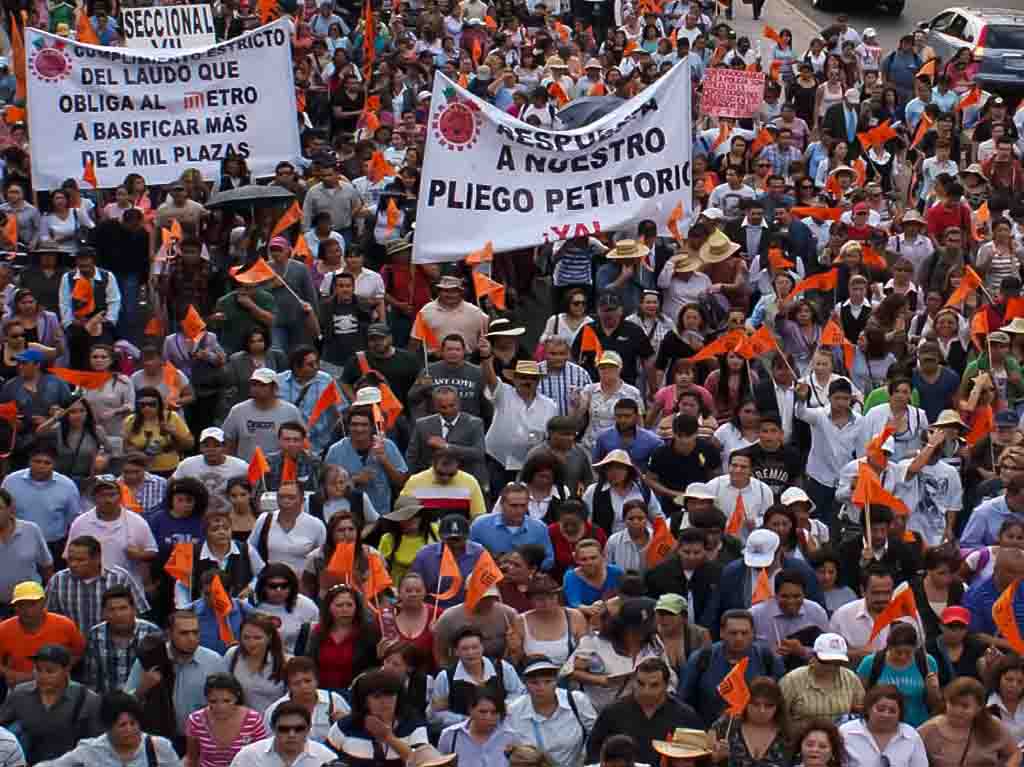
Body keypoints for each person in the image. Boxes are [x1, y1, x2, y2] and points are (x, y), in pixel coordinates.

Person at [125, 609, 228, 742]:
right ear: (169, 634)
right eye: (184, 633)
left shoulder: (213, 661)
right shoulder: (150, 660)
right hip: (159, 740)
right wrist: (142, 689)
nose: (191, 638)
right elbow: (124, 703)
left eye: (195, 632)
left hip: (202, 740)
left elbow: (228, 703)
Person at [586, 657, 701, 767]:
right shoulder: (612, 713)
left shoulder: (685, 715)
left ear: (666, 686)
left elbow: (698, 757)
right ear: (633, 682)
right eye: (641, 684)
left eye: (654, 685)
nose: (646, 691)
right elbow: (593, 754)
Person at [679, 609, 784, 727]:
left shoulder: (767, 658)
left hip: (753, 734)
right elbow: (684, 702)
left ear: (753, 633)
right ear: (722, 633)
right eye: (733, 633)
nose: (739, 638)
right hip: (707, 734)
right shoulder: (701, 658)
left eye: (744, 633)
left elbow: (779, 699)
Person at [0, 643, 103, 762]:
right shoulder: (19, 695)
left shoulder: (88, 700)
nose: (42, 676)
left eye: (50, 671)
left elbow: (97, 745)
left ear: (66, 670)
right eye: (38, 670)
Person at [63, 480, 158, 602]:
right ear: (94, 498)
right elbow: (69, 557)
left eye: (112, 495)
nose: (108, 499)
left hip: (126, 587)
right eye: (102, 495)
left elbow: (152, 552)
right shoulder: (80, 523)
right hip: (89, 587)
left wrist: (139, 555)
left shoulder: (136, 522)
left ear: (120, 497)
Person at [32, 691, 181, 767]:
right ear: (108, 727)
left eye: (133, 723)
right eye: (122, 725)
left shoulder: (159, 747)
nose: (129, 729)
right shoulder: (90, 749)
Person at [46, 534, 150, 637]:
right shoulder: (58, 580)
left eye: (80, 560)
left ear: (97, 558)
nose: (73, 564)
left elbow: (140, 613)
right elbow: (47, 617)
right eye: (70, 559)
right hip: (72, 647)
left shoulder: (119, 578)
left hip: (110, 647)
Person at [506, 656, 597, 767]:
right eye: (534, 683)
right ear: (525, 684)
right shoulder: (513, 710)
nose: (541, 688)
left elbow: (597, 734)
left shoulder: (577, 701)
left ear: (557, 681)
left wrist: (584, 759)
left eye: (548, 681)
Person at [327, 670, 429, 767]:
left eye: (390, 695)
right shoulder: (345, 726)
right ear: (364, 701)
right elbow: (325, 759)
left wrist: (389, 738)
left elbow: (423, 762)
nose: (384, 702)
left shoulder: (413, 725)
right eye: (377, 697)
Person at [1, 445, 80, 568]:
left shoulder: (68, 486)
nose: (41, 466)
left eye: (47, 463)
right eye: (37, 461)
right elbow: (3, 510)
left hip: (54, 545)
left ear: (54, 464)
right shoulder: (11, 481)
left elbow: (73, 519)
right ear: (29, 461)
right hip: (18, 542)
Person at [430, 625, 524, 727]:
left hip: (502, 728)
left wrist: (504, 708)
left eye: (475, 647)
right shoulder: (445, 677)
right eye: (465, 649)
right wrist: (466, 720)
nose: (471, 653)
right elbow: (435, 714)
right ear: (456, 651)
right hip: (464, 732)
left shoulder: (502, 667)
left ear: (482, 647)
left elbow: (519, 694)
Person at [323, 406, 409, 516]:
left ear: (372, 427)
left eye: (364, 425)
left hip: (381, 516)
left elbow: (402, 482)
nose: (359, 429)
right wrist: (355, 480)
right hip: (346, 518)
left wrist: (384, 461)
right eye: (354, 424)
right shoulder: (335, 451)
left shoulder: (387, 446)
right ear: (348, 427)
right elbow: (326, 488)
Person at [919, 677, 1021, 767]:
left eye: (965, 706)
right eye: (953, 704)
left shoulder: (992, 725)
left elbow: (1015, 754)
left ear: (979, 708)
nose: (957, 711)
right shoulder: (929, 729)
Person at [778, 633, 864, 736]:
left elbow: (860, 711)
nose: (832, 666)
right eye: (826, 661)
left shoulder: (850, 678)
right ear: (813, 657)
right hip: (801, 742)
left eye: (837, 662)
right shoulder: (792, 680)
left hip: (840, 741)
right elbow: (780, 714)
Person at [405, 387, 488, 494]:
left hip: (465, 486)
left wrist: (447, 446)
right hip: (430, 486)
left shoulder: (474, 423)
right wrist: (410, 482)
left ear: (459, 403)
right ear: (435, 406)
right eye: (443, 407)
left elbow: (479, 453)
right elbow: (412, 457)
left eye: (452, 405)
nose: (448, 410)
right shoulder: (422, 425)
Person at [0, 581, 85, 685]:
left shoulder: (64, 624)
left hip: (59, 684)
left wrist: (61, 670)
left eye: (32, 604)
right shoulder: (3, 629)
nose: (27, 610)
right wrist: (9, 674)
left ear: (43, 603)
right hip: (19, 686)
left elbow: (78, 652)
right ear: (15, 607)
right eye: (21, 605)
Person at [857, 623, 940, 727]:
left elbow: (935, 705)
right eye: (898, 652)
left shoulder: (927, 662)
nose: (903, 657)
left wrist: (933, 689)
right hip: (880, 726)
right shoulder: (871, 663)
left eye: (908, 652)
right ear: (889, 646)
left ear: (915, 648)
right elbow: (860, 698)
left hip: (918, 726)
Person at [83, 585, 161, 695]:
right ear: (104, 613)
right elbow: (92, 680)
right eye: (112, 610)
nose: (118, 614)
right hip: (108, 705)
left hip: (144, 704)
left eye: (123, 608)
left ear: (134, 610)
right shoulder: (95, 634)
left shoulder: (152, 632)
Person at [304, 584, 380, 693]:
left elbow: (373, 668)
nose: (345, 609)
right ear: (329, 607)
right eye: (339, 605)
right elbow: (309, 664)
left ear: (356, 607)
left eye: (349, 605)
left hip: (355, 695)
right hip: (321, 693)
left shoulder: (369, 633)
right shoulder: (317, 632)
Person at [184, 673, 267, 767]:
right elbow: (191, 758)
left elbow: (260, 757)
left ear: (236, 697)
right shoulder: (196, 720)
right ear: (206, 699)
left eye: (227, 701)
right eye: (213, 701)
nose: (220, 707)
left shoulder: (253, 720)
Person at [222, 370, 304, 463]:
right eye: (254, 384)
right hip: (247, 470)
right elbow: (228, 442)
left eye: (262, 385)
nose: (256, 388)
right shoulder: (237, 410)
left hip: (279, 471)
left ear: (274, 388)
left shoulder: (291, 411)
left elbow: (302, 441)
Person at [263, 657, 350, 746]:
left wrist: (345, 721)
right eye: (296, 683)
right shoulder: (274, 710)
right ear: (288, 687)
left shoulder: (334, 700)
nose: (303, 686)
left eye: (308, 681)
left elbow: (352, 733)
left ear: (316, 680)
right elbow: (269, 744)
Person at [839, 685, 930, 767]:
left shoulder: (911, 735)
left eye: (892, 711)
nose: (886, 715)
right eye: (880, 709)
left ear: (900, 714)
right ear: (868, 709)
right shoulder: (846, 732)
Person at [708, 676, 789, 767]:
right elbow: (703, 760)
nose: (762, 710)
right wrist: (716, 758)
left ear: (778, 706)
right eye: (755, 704)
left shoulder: (788, 733)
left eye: (769, 705)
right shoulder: (725, 724)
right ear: (745, 703)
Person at [470, 483, 555, 568]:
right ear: (502, 504)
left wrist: (525, 567)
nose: (519, 510)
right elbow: (469, 556)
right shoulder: (480, 525)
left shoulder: (539, 528)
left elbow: (549, 560)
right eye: (513, 505)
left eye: (523, 505)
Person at [229, 701, 336, 767]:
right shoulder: (248, 756)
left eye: (299, 728)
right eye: (284, 729)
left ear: (308, 728)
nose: (292, 734)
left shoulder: (326, 758)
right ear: (273, 728)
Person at [172, 428, 248, 515]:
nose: (211, 449)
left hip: (229, 518)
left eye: (216, 445)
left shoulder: (241, 467)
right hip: (196, 516)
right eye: (206, 445)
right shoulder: (187, 465)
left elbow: (253, 490)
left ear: (224, 447)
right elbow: (171, 485)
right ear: (200, 447)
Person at [437, 687, 520, 765]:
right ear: (470, 710)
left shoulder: (510, 737)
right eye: (483, 712)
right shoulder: (450, 735)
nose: (488, 717)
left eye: (494, 712)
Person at [224, 613, 288, 714]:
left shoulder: (285, 661)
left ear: (269, 638)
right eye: (246, 637)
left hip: (272, 724)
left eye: (257, 638)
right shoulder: (232, 655)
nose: (251, 643)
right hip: (242, 723)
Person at [401, 448, 487, 520]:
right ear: (433, 465)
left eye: (451, 474)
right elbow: (402, 514)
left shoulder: (470, 482)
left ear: (458, 466)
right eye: (441, 473)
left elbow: (478, 517)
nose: (446, 478)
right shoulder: (415, 482)